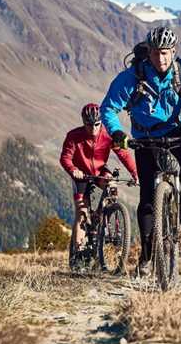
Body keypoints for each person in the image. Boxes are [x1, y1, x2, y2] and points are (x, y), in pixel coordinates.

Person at [100, 26, 181, 276]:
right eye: (157, 53)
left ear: (173, 52)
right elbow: (108, 108)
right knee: (147, 197)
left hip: (175, 131)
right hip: (145, 138)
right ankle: (147, 256)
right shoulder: (133, 76)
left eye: (166, 53)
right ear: (149, 53)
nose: (161, 59)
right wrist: (116, 132)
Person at [59, 103, 138, 260]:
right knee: (81, 212)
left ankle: (106, 216)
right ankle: (79, 253)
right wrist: (73, 170)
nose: (93, 128)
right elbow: (65, 158)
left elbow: (123, 154)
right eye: (89, 125)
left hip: (100, 170)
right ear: (84, 123)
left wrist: (134, 173)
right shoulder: (74, 136)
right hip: (80, 175)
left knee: (111, 183)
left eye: (97, 124)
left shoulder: (107, 134)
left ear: (101, 122)